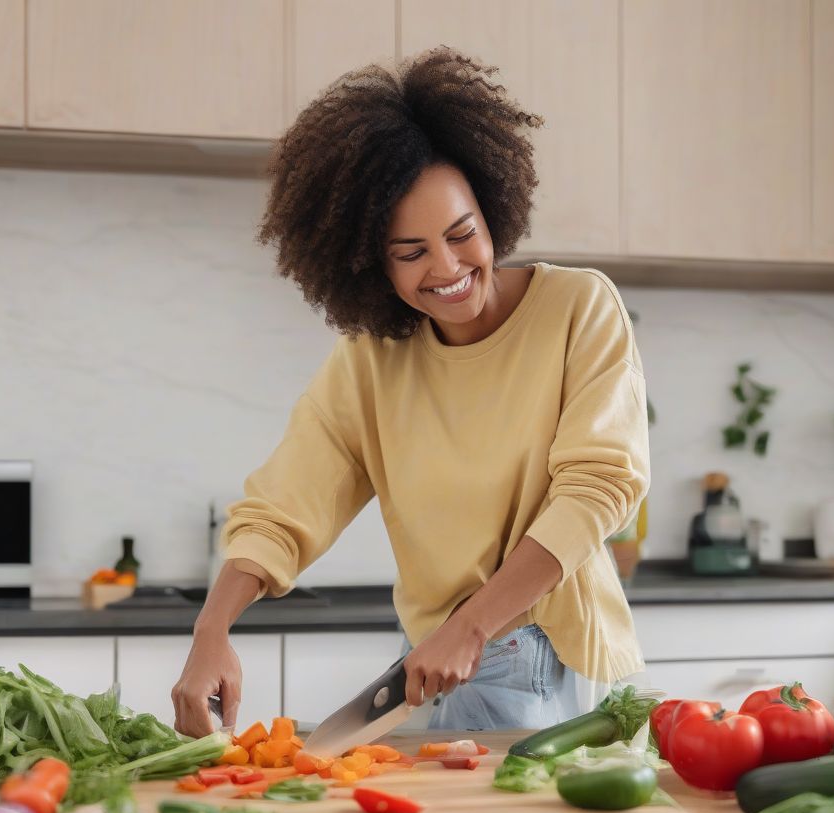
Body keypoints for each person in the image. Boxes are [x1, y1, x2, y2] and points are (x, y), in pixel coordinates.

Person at [172, 46, 650, 738]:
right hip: (431, 653)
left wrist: (473, 626)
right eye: (411, 252)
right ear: (371, 262)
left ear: (493, 212)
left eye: (462, 235)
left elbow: (597, 488)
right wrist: (210, 629)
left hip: (530, 647)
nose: (448, 268)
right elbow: (285, 503)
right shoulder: (372, 358)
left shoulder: (578, 309)